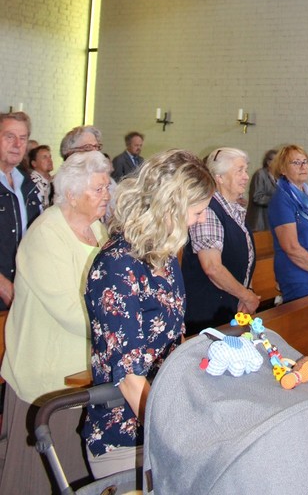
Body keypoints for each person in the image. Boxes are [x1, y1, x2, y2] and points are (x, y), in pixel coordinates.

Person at [83, 150, 214, 482]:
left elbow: (173, 341)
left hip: (165, 417)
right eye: (197, 212)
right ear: (171, 207)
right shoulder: (117, 265)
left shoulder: (164, 257)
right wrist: (174, 436)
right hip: (128, 435)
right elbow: (129, 377)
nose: (201, 220)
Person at [0, 151, 111, 495]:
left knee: (75, 468)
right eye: (98, 189)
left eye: (106, 187)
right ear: (72, 195)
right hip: (47, 372)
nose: (106, 195)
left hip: (84, 367)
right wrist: (116, 331)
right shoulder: (47, 234)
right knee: (39, 477)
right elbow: (68, 309)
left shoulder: (96, 228)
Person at [182, 147, 260, 334]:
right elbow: (212, 267)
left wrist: (247, 291)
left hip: (228, 308)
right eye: (239, 171)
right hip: (207, 314)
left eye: (246, 170)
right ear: (219, 177)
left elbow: (245, 258)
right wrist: (247, 296)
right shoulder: (209, 210)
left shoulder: (233, 209)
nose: (246, 177)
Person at [268, 144, 308, 302]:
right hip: (298, 276)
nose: (303, 166)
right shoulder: (281, 200)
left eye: (306, 161)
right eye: (296, 162)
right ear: (283, 169)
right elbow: (291, 247)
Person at [0, 111, 40, 310]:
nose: (17, 144)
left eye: (22, 138)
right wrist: (3, 286)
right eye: (10, 137)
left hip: (23, 288)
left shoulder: (28, 184)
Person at [245, 148, 277, 231]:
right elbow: (257, 197)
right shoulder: (260, 174)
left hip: (270, 223)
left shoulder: (277, 177)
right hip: (259, 224)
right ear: (268, 162)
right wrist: (277, 200)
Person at [27, 144, 54, 211]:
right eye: (44, 157)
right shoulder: (32, 184)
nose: (49, 160)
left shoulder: (54, 180)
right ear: (34, 163)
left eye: (50, 157)